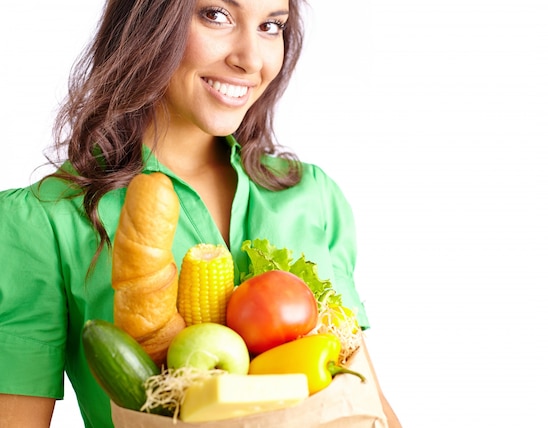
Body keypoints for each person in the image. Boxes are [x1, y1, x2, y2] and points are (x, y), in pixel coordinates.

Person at [0, 1, 401, 427]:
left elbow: (364, 398)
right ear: (147, 20)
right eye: (216, 14)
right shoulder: (42, 223)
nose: (249, 59)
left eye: (270, 25)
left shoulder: (311, 196)